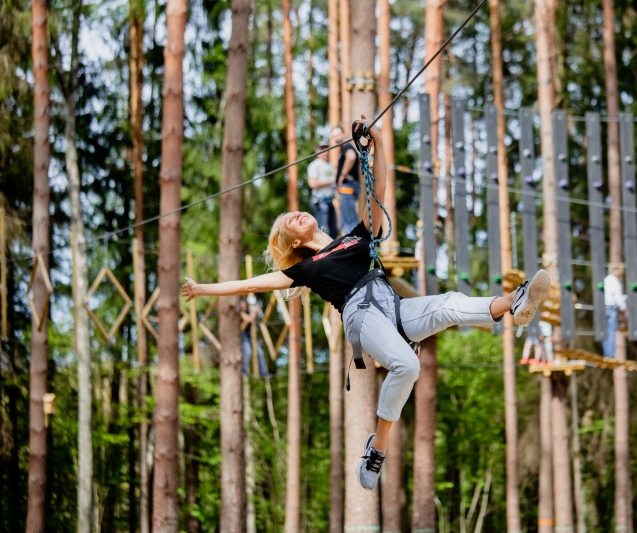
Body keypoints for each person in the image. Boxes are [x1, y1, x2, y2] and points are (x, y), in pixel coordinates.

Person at [182, 115, 552, 492]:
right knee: (407, 364)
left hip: (391, 306)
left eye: (294, 213)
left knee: (449, 303)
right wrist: (201, 288)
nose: (296, 214)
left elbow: (379, 191)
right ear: (295, 242)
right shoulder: (307, 269)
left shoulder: (355, 239)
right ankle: (378, 447)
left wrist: (375, 143)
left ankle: (514, 301)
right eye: (290, 222)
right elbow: (249, 286)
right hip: (361, 317)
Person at [331, 126, 360, 234]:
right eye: (334, 137)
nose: (336, 138)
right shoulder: (345, 148)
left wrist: (343, 175)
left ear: (344, 134)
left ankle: (353, 246)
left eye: (338, 135)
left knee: (349, 220)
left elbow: (351, 157)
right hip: (349, 187)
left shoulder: (346, 146)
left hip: (347, 186)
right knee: (344, 220)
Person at [307, 139, 338, 237]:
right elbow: (312, 183)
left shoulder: (329, 166)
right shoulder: (314, 165)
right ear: (317, 151)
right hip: (320, 201)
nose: (325, 152)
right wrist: (331, 181)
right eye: (322, 149)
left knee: (334, 231)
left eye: (327, 149)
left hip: (330, 201)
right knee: (323, 230)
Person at [241, 296, 268, 378]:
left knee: (260, 353)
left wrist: (254, 303)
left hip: (251, 336)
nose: (244, 306)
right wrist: (254, 313)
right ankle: (243, 371)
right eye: (242, 305)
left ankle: (264, 372)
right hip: (244, 337)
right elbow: (249, 319)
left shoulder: (248, 311)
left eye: (244, 305)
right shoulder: (241, 313)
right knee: (247, 352)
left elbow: (260, 312)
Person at [603, 263, 626, 358]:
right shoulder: (615, 282)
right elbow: (618, 298)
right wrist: (624, 309)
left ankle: (607, 353)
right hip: (612, 309)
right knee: (611, 332)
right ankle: (610, 354)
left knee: (606, 332)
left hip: (604, 308)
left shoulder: (606, 280)